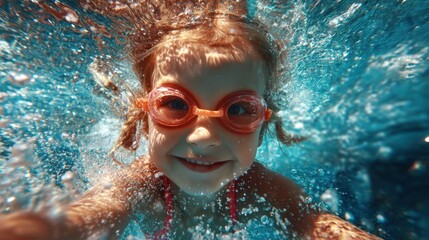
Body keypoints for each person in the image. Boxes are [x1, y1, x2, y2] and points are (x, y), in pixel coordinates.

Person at [0, 1, 382, 239]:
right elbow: (90, 216)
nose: (202, 138)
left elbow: (319, 226)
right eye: (175, 106)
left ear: (264, 123)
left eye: (239, 110)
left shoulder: (264, 188)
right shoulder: (138, 185)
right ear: (143, 113)